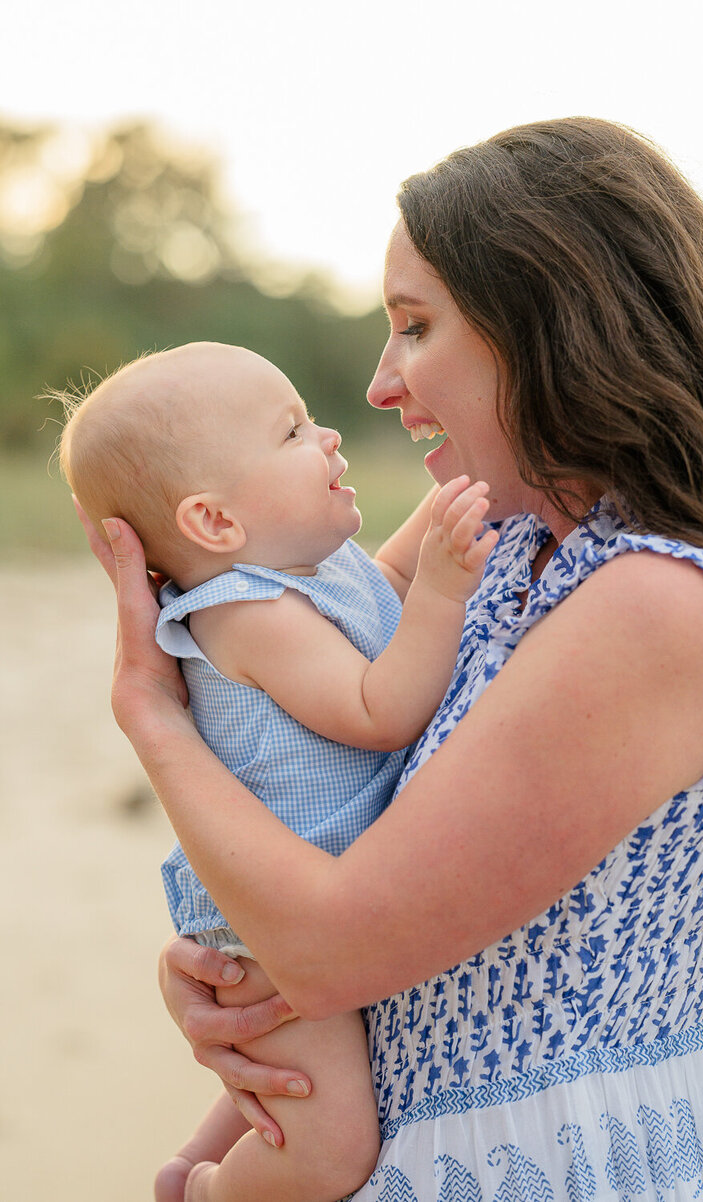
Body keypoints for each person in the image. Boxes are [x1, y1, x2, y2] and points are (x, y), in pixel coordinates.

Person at [77, 118, 703, 1202]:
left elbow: (331, 945)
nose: (376, 384)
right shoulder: (494, 534)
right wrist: (233, 979)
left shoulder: (653, 601)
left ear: (551, 326)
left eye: (414, 327)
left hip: (556, 1162)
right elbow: (290, 755)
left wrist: (150, 714)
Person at [59, 342, 498, 1202]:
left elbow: (389, 580)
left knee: (305, 1065)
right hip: (272, 915)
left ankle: (195, 1153)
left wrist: (453, 510)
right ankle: (210, 1193)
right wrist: (446, 592)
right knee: (328, 1142)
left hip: (320, 878)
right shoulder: (247, 616)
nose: (331, 436)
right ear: (216, 524)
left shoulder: (310, 569)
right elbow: (378, 712)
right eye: (293, 430)